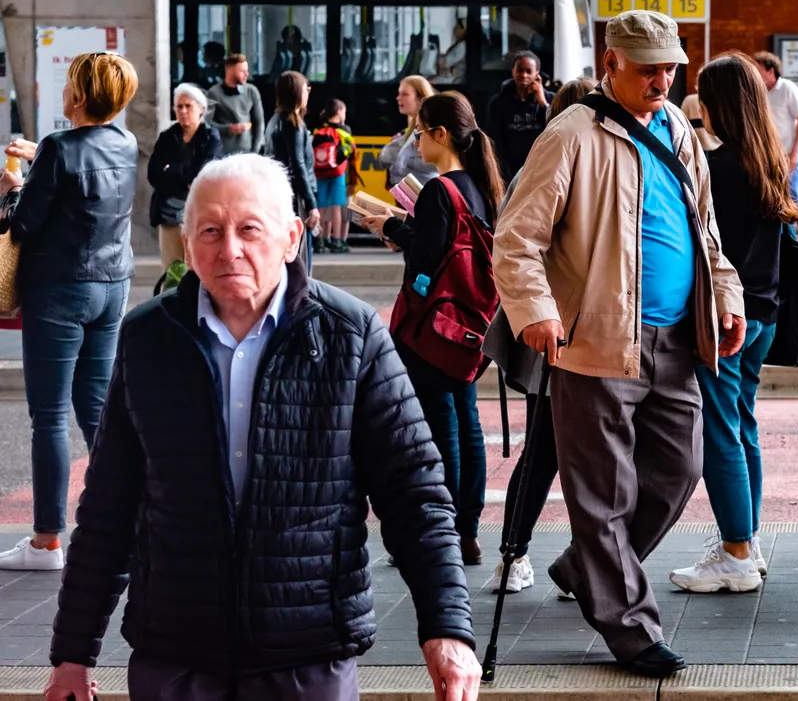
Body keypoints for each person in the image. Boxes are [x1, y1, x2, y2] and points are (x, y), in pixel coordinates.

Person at [40, 154, 480, 701]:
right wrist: (72, 654)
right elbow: (109, 505)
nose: (230, 249)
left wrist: (447, 628)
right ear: (186, 239)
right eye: (210, 230)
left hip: (308, 655)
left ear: (292, 236)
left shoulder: (351, 335)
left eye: (250, 229)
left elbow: (414, 494)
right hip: (175, 655)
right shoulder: (147, 338)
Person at [493, 10, 745, 677]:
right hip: (595, 341)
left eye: (669, 68)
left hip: (674, 341)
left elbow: (706, 231)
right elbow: (517, 238)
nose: (661, 79)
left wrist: (726, 295)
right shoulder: (571, 133)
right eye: (647, 69)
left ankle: (589, 566)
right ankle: (630, 627)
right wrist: (535, 311)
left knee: (677, 468)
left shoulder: (679, 132)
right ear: (612, 65)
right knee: (603, 490)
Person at [669, 53, 798, 594]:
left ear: (718, 103)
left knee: (720, 429)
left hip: (728, 316)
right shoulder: (767, 162)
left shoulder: (717, 168)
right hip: (765, 312)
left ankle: (735, 554)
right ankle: (745, 539)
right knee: (743, 424)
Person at [0, 53, 138, 573]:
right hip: (111, 287)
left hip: (60, 290)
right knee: (97, 411)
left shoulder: (59, 148)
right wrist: (40, 161)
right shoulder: (125, 143)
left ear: (78, 95)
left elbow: (25, 225)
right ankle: (123, 524)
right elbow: (88, 179)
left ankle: (45, 542)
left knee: (50, 416)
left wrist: (13, 187)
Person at [362, 92, 506, 568]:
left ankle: (439, 531)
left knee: (439, 427)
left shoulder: (441, 191)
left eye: (421, 131)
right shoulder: (484, 187)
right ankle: (467, 531)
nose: (416, 140)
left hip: (433, 329)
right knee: (467, 424)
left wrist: (392, 226)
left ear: (442, 135)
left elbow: (426, 258)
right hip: (469, 327)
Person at [488, 77, 596, 595]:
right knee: (565, 454)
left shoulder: (543, 163)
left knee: (545, 451)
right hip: (563, 335)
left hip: (554, 335)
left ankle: (519, 555)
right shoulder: (561, 162)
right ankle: (539, 556)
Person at [148, 83, 222, 269]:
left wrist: (171, 170)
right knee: (171, 270)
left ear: (201, 109)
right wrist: (185, 179)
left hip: (199, 214)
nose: (183, 111)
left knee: (198, 268)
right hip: (168, 215)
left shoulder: (209, 137)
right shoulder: (167, 137)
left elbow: (201, 175)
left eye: (188, 106)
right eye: (179, 106)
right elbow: (154, 175)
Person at [262, 71, 320, 264]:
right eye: (305, 88)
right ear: (295, 92)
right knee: (300, 257)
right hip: (296, 198)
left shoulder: (274, 121)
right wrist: (312, 205)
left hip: (280, 195)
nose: (308, 92)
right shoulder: (293, 123)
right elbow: (298, 164)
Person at [754, 51, 798, 229]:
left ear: (771, 71)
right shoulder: (760, 92)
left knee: (789, 198)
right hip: (770, 154)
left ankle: (793, 238)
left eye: (759, 69)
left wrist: (795, 153)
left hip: (788, 154)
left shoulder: (787, 88)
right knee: (779, 201)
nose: (755, 73)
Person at [488, 52, 553, 179]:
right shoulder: (498, 102)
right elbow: (495, 140)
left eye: (529, 71)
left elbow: (557, 129)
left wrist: (543, 103)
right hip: (509, 172)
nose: (524, 75)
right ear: (513, 71)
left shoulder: (551, 99)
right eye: (520, 70)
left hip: (542, 171)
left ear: (537, 73)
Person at [311, 99, 358, 254]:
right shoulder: (344, 131)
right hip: (338, 173)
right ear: (339, 112)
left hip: (319, 173)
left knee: (321, 208)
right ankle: (337, 241)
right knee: (336, 207)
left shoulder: (318, 131)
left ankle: (319, 240)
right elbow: (352, 154)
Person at [378, 75, 438, 193]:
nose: (398, 98)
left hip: (423, 195)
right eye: (399, 93)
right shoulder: (411, 128)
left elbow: (437, 162)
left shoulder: (430, 128)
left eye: (405, 94)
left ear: (421, 98)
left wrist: (400, 159)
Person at [205, 53, 265, 156]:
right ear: (229, 70)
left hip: (248, 152)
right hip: (223, 153)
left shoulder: (252, 91)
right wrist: (229, 129)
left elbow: (259, 123)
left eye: (247, 71)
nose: (247, 74)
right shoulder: (213, 93)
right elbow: (206, 123)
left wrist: (255, 152)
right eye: (242, 71)